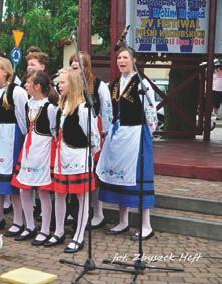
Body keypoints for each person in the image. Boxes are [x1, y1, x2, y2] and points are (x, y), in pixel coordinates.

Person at [96, 47, 158, 241]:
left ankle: (146, 225)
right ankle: (123, 221)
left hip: (137, 134)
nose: (121, 61)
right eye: (118, 58)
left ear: (134, 60)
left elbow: (150, 110)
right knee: (120, 178)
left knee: (138, 178)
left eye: (125, 57)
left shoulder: (142, 82)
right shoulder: (113, 84)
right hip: (118, 136)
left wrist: (148, 132)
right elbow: (108, 110)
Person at [47, 67, 100, 253]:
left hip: (79, 157)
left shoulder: (84, 108)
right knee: (60, 194)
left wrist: (88, 157)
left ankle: (79, 235)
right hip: (63, 157)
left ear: (74, 84)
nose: (58, 86)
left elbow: (94, 138)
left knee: (82, 197)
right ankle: (59, 231)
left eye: (62, 82)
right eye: (58, 82)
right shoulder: (62, 107)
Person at [11, 71, 58, 245]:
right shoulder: (29, 104)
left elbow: (54, 132)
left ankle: (45, 229)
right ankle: (30, 225)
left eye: (28, 83)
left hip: (43, 150)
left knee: (43, 191)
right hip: (29, 150)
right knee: (24, 188)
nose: (25, 86)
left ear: (37, 86)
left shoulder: (50, 108)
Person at [67, 52, 113, 229]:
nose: (74, 64)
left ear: (86, 65)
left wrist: (105, 133)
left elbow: (107, 109)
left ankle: (98, 212)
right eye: (72, 62)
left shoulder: (99, 85)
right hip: (73, 132)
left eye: (78, 62)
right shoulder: (70, 84)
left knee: (93, 175)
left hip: (94, 129)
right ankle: (75, 212)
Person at [0, 56, 27, 234]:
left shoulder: (17, 91)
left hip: (10, 137)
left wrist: (21, 138)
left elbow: (23, 116)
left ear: (6, 72)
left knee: (11, 181)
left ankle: (18, 220)